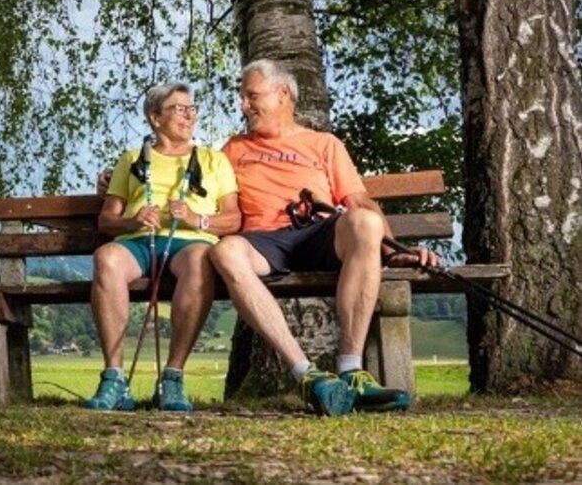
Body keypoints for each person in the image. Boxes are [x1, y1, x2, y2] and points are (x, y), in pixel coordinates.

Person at [211, 58, 441, 416]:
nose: (243, 105)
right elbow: (195, 184)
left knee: (364, 222)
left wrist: (393, 250)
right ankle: (308, 376)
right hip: (263, 241)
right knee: (226, 252)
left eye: (251, 96)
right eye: (242, 98)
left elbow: (359, 201)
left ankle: (350, 371)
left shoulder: (323, 144)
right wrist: (123, 182)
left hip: (317, 234)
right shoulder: (233, 149)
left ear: (282, 94)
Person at [85, 82, 241, 412]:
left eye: (191, 108)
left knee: (201, 259)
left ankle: (172, 378)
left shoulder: (214, 161)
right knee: (106, 258)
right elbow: (106, 221)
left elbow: (233, 219)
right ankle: (114, 379)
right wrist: (134, 219)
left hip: (190, 243)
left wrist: (197, 220)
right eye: (179, 108)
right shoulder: (131, 159)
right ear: (156, 118)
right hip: (139, 241)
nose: (189, 115)